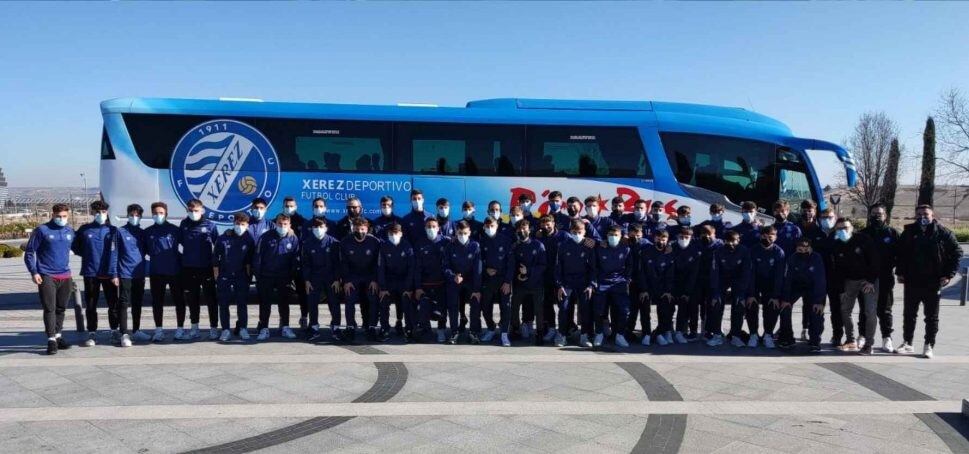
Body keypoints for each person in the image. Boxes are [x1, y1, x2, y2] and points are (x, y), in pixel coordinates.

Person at [895, 204, 961, 358]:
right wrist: (900, 272)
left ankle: (929, 345)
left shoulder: (943, 233)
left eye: (925, 214)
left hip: (933, 281)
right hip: (912, 280)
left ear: (932, 216)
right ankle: (907, 343)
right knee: (909, 314)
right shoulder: (909, 232)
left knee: (931, 316)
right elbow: (901, 253)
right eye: (918, 214)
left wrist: (949, 274)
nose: (922, 217)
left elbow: (957, 252)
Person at [24, 203, 75, 354]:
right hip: (47, 275)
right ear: (52, 215)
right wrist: (34, 272)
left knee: (61, 308)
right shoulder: (42, 230)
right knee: (50, 308)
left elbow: (80, 247)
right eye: (58, 216)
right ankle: (51, 340)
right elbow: (29, 252)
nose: (61, 219)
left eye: (65, 216)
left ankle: (58, 336)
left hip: (65, 275)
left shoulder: (70, 231)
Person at [72, 200, 119, 347]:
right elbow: (76, 247)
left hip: (109, 273)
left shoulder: (113, 230)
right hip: (91, 272)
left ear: (107, 212)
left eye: (103, 212)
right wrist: (88, 255)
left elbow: (117, 251)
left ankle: (114, 331)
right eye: (97, 212)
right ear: (92, 213)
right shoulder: (84, 230)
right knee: (91, 304)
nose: (100, 214)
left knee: (113, 304)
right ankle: (92, 332)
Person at [830, 217, 879, 354]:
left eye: (845, 227)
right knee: (845, 310)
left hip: (868, 281)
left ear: (852, 228)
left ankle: (868, 344)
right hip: (849, 281)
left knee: (870, 311)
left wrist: (870, 280)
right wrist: (841, 289)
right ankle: (850, 340)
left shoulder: (864, 240)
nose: (842, 231)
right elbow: (837, 269)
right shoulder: (836, 244)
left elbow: (875, 260)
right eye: (839, 228)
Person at [858, 203, 899, 353]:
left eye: (879, 214)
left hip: (885, 277)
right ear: (870, 215)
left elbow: (899, 256)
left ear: (885, 216)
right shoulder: (863, 234)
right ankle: (862, 335)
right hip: (866, 279)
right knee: (865, 309)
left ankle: (886, 337)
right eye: (874, 214)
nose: (877, 216)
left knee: (885, 309)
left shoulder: (892, 233)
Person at [253, 213, 300, 341]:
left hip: (284, 277)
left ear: (289, 225)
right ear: (276, 224)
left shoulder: (293, 238)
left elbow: (295, 259)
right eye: (280, 223)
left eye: (285, 224)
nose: (282, 226)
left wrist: (291, 275)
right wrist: (258, 275)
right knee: (265, 303)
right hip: (266, 276)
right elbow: (258, 258)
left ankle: (285, 327)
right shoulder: (265, 237)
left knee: (284, 303)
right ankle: (264, 328)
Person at [178, 199, 219, 340]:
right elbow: (181, 242)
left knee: (211, 299)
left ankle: (214, 328)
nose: (193, 213)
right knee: (192, 299)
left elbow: (218, 246)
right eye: (190, 210)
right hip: (189, 268)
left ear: (202, 210)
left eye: (196, 210)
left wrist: (215, 266)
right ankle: (194, 328)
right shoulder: (184, 224)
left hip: (206, 268)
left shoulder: (210, 225)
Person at [555, 219, 597, 347]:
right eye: (574, 232)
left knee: (585, 309)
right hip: (567, 283)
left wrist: (591, 285)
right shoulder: (563, 245)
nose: (577, 234)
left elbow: (593, 268)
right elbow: (558, 267)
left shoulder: (589, 246)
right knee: (564, 308)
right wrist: (559, 285)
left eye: (579, 232)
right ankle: (562, 335)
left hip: (583, 283)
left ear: (584, 232)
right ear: (570, 232)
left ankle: (585, 335)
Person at [144, 202, 181, 342]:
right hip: (156, 272)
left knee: (179, 300)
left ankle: (180, 329)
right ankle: (158, 330)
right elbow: (145, 250)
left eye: (161, 213)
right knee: (157, 302)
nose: (158, 215)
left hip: (174, 271)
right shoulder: (147, 232)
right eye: (155, 213)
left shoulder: (174, 230)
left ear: (166, 214)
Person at [213, 213, 254, 341]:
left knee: (242, 303)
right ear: (233, 223)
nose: (239, 226)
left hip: (241, 275)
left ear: (247, 225)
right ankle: (225, 330)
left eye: (242, 224)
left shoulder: (249, 239)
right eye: (237, 224)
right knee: (223, 303)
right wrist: (216, 275)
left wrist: (248, 276)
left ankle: (243, 328)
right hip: (225, 275)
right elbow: (215, 257)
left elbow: (250, 259)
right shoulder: (224, 237)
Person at [340, 218, 382, 341]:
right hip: (352, 276)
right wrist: (346, 280)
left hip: (370, 276)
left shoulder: (375, 242)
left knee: (373, 299)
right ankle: (350, 327)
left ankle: (372, 327)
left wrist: (375, 279)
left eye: (362, 229)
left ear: (367, 229)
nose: (359, 231)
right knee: (349, 299)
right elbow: (343, 263)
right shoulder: (345, 242)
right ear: (352, 228)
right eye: (357, 229)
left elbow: (377, 263)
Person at [707, 230, 751, 347]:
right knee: (716, 304)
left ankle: (735, 336)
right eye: (728, 241)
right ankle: (717, 335)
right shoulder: (718, 251)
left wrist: (741, 292)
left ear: (738, 240)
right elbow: (714, 272)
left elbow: (746, 272)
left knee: (739, 305)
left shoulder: (744, 251)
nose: (730, 244)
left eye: (733, 241)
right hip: (722, 279)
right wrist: (715, 292)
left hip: (738, 280)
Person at [782, 238, 826, 353]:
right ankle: (787, 338)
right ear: (796, 249)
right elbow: (788, 279)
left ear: (810, 248)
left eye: (806, 249)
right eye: (800, 249)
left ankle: (815, 340)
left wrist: (819, 301)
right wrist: (786, 299)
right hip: (796, 287)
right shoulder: (792, 258)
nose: (803, 251)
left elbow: (820, 280)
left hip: (812, 287)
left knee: (816, 310)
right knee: (785, 308)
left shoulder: (816, 258)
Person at [302, 217, 343, 341]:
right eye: (316, 227)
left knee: (334, 303)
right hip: (314, 278)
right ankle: (314, 327)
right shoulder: (307, 243)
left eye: (321, 227)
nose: (318, 229)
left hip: (331, 278)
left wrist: (337, 279)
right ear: (312, 229)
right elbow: (305, 263)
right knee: (312, 303)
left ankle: (336, 327)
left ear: (326, 228)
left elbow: (338, 263)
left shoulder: (334, 243)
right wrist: (307, 280)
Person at [477, 216, 514, 346]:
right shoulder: (481, 242)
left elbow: (511, 262)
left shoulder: (506, 240)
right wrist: (486, 269)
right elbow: (479, 260)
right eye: (487, 226)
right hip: (488, 280)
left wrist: (508, 281)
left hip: (503, 280)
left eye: (492, 226)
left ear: (497, 225)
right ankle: (491, 328)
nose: (489, 228)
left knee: (506, 307)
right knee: (485, 306)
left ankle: (504, 333)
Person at [593, 225, 632, 348]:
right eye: (610, 235)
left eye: (616, 235)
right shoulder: (600, 248)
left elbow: (630, 266)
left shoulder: (626, 249)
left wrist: (626, 279)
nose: (613, 237)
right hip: (602, 282)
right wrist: (595, 282)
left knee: (623, 310)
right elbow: (595, 266)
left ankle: (620, 335)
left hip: (619, 283)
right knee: (599, 310)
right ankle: (599, 334)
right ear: (606, 236)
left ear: (621, 237)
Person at [443, 221, 482, 344]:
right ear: (456, 232)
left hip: (471, 281)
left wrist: (476, 289)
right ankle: (454, 332)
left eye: (465, 233)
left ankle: (473, 332)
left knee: (475, 302)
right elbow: (445, 266)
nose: (462, 235)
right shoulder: (450, 246)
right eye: (460, 233)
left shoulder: (475, 246)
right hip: (455, 280)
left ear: (469, 232)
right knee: (453, 305)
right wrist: (453, 276)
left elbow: (478, 269)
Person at [747, 225, 786, 348]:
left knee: (772, 307)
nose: (767, 239)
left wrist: (775, 295)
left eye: (770, 236)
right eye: (764, 236)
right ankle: (753, 334)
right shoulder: (753, 250)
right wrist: (751, 294)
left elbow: (779, 276)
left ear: (775, 237)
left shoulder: (779, 252)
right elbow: (750, 273)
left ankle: (768, 335)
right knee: (751, 305)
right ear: (760, 236)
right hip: (756, 283)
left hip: (771, 285)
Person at [116, 204, 149, 344]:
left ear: (140, 216)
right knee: (123, 303)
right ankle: (123, 333)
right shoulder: (120, 232)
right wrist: (114, 273)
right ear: (128, 215)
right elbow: (114, 254)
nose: (134, 217)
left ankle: (136, 330)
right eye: (132, 215)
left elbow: (147, 251)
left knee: (137, 303)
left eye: (137, 215)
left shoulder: (142, 233)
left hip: (139, 273)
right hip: (125, 273)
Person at [377, 223, 415, 341]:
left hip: (404, 282)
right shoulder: (383, 247)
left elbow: (411, 268)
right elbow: (380, 268)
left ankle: (408, 329)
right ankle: (384, 329)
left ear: (401, 234)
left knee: (406, 302)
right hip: (389, 281)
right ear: (388, 234)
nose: (394, 235)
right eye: (391, 233)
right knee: (384, 302)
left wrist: (408, 288)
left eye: (396, 233)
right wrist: (383, 288)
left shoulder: (408, 246)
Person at [511, 219, 547, 345]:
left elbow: (542, 265)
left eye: (524, 228)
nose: (522, 231)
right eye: (519, 229)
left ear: (530, 229)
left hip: (536, 284)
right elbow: (512, 265)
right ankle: (515, 329)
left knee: (538, 310)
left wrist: (529, 272)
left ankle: (540, 333)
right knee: (514, 307)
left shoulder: (538, 245)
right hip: (519, 284)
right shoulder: (515, 246)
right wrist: (519, 276)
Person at [414, 217, 449, 342]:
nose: (431, 229)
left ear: (438, 228)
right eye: (428, 226)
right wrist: (418, 287)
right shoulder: (419, 244)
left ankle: (441, 331)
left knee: (442, 309)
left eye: (434, 226)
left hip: (441, 283)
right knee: (423, 307)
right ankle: (425, 329)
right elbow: (417, 267)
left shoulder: (446, 242)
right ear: (425, 228)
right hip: (425, 284)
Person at [535, 215, 568, 343]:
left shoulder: (564, 236)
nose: (546, 226)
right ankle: (552, 328)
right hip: (545, 276)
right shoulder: (538, 237)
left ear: (554, 223)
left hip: (561, 276)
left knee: (563, 305)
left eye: (548, 223)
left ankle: (563, 331)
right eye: (543, 224)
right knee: (547, 304)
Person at [639, 229, 674, 346]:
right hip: (648, 287)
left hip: (662, 288)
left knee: (666, 310)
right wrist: (644, 289)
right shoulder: (646, 252)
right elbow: (642, 272)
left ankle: (659, 333)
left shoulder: (669, 254)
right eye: (658, 239)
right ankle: (646, 334)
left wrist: (667, 291)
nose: (660, 241)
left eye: (663, 239)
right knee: (645, 309)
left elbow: (670, 274)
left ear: (667, 240)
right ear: (654, 239)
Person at [798, 200, 824, 341]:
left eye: (810, 210)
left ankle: (810, 332)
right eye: (804, 210)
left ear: (815, 211)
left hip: (814, 274)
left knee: (811, 304)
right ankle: (784, 329)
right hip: (797, 273)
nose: (807, 213)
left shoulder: (820, 230)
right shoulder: (796, 228)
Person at [691, 225, 722, 342]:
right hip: (697, 279)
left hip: (712, 280)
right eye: (704, 234)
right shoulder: (695, 243)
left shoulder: (719, 245)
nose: (707, 236)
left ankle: (708, 330)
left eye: (709, 234)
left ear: (714, 234)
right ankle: (693, 330)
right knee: (694, 305)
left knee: (710, 306)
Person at [670, 227, 701, 344]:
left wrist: (687, 291)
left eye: (686, 237)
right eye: (681, 237)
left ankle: (681, 331)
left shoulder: (695, 252)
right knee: (668, 308)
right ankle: (667, 330)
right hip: (673, 283)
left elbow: (694, 273)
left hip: (689, 285)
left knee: (687, 308)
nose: (683, 239)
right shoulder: (671, 249)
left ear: (691, 238)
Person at [625, 223, 652, 343]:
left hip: (645, 282)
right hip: (630, 283)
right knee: (632, 310)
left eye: (638, 235)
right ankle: (628, 332)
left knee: (645, 311)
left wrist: (645, 288)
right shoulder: (625, 244)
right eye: (633, 235)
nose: (636, 237)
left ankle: (647, 334)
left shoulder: (647, 246)